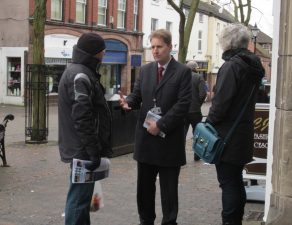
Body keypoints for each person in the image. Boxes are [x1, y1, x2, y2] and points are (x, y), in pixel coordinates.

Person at [119, 29, 191, 225]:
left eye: (159, 46)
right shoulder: (145, 70)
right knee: (144, 189)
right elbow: (137, 95)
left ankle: (169, 221)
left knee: (169, 191)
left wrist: (161, 125)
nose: (155, 51)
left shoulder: (183, 72)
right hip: (146, 141)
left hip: (168, 141)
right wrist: (129, 103)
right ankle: (146, 221)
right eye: (152, 47)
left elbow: (183, 105)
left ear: (170, 47)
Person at [206, 24, 264, 225]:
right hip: (242, 135)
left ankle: (229, 221)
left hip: (227, 137)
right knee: (236, 181)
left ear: (228, 42)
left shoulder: (231, 66)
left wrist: (207, 124)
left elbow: (220, 104)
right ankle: (235, 220)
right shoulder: (253, 66)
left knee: (228, 183)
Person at [58, 32, 112, 225]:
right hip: (82, 150)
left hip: (82, 148)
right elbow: (82, 117)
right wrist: (92, 149)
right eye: (102, 51)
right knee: (78, 201)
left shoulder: (80, 71)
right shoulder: (80, 75)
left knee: (83, 199)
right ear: (95, 53)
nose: (104, 54)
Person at [185, 61, 207, 161]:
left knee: (182, 133)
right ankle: (196, 155)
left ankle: (180, 154)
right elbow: (203, 94)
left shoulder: (181, 77)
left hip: (183, 111)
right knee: (197, 133)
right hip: (195, 111)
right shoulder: (199, 77)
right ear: (195, 68)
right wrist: (198, 104)